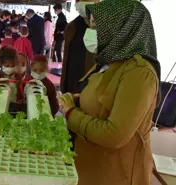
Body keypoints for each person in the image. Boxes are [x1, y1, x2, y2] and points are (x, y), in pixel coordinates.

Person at [57, 0, 160, 185]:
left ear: (119, 28)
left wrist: (71, 112)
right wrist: (80, 99)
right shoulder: (109, 62)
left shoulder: (138, 72)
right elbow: (105, 98)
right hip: (91, 163)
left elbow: (115, 134)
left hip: (117, 173)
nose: (90, 32)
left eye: (96, 26)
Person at [60, 0, 98, 93]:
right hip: (74, 84)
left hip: (96, 87)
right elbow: (67, 60)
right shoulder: (72, 26)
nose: (80, 2)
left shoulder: (110, 26)